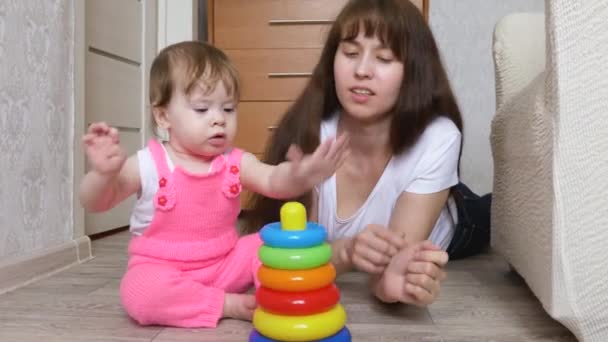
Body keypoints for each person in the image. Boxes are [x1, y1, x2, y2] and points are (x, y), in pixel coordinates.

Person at [79, 41, 348, 328]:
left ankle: (278, 297)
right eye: (202, 108)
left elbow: (272, 180)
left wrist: (301, 175)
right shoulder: (148, 164)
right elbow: (95, 203)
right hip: (162, 269)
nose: (219, 119)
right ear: (163, 116)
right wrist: (103, 175)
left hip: (225, 264)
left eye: (229, 109)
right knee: (140, 293)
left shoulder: (234, 161)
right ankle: (224, 303)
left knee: (265, 243)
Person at [244, 0, 490, 307]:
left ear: (413, 72)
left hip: (457, 218)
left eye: (384, 58)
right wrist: (347, 253)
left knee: (495, 211)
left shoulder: (437, 138)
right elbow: (292, 262)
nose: (361, 71)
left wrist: (391, 282)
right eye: (350, 53)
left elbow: (392, 268)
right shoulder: (309, 135)